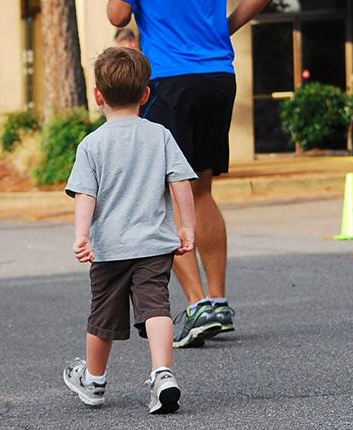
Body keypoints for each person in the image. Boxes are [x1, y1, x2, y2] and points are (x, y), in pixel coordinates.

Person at [107, 0, 270, 348]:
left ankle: (198, 305)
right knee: (201, 190)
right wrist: (220, 29)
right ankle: (218, 301)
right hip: (217, 76)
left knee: (165, 193)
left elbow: (118, 16)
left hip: (169, 78)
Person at [62, 47, 197, 414]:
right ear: (145, 95)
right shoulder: (160, 136)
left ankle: (94, 380)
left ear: (97, 96)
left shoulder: (92, 144)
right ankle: (163, 373)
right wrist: (186, 227)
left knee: (102, 317)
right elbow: (181, 183)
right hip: (154, 244)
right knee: (156, 307)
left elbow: (85, 195)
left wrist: (82, 235)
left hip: (109, 249)